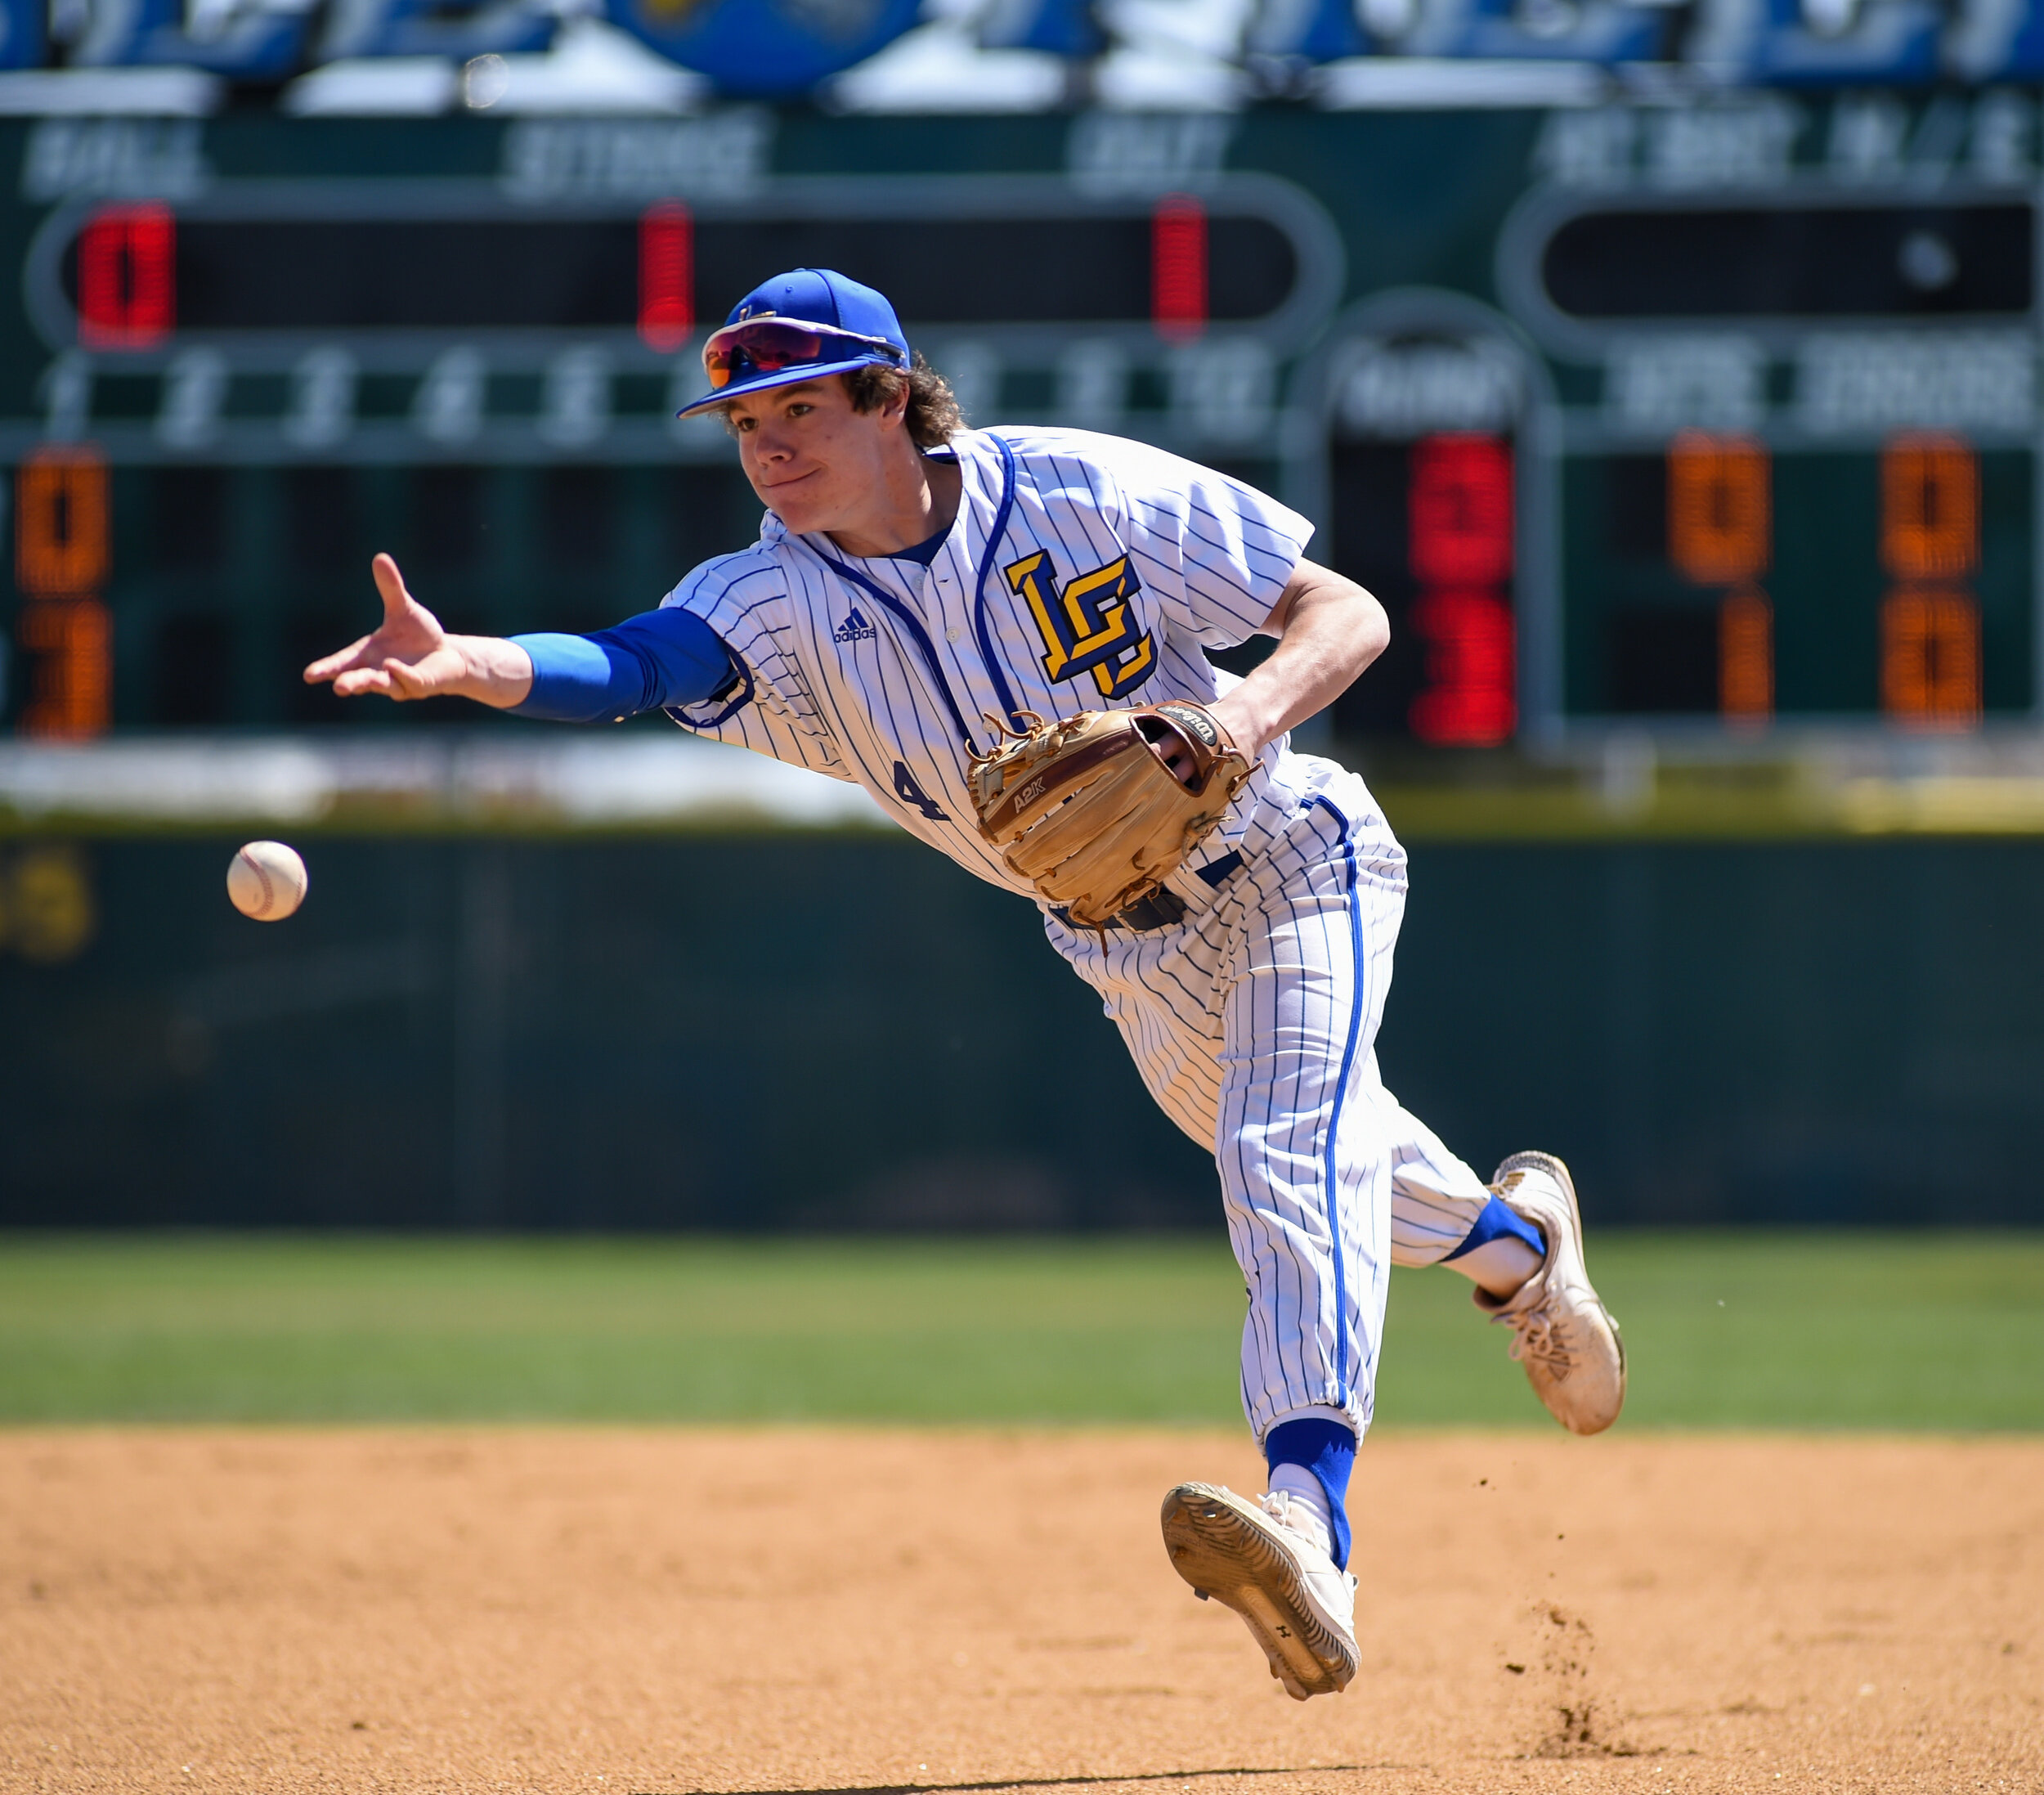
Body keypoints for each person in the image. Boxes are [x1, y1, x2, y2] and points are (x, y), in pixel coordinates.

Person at [306, 267, 1625, 1703]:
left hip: (1297, 858)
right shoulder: (770, 599)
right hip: (1119, 944)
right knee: (1321, 1162)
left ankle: (1312, 1525)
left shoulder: (1075, 489)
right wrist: (474, 662)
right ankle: (1515, 1251)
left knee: (1279, 1153)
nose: (770, 447)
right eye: (745, 423)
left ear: (893, 396)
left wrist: (1240, 714)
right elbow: (629, 664)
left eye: (801, 408)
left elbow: (1346, 611)